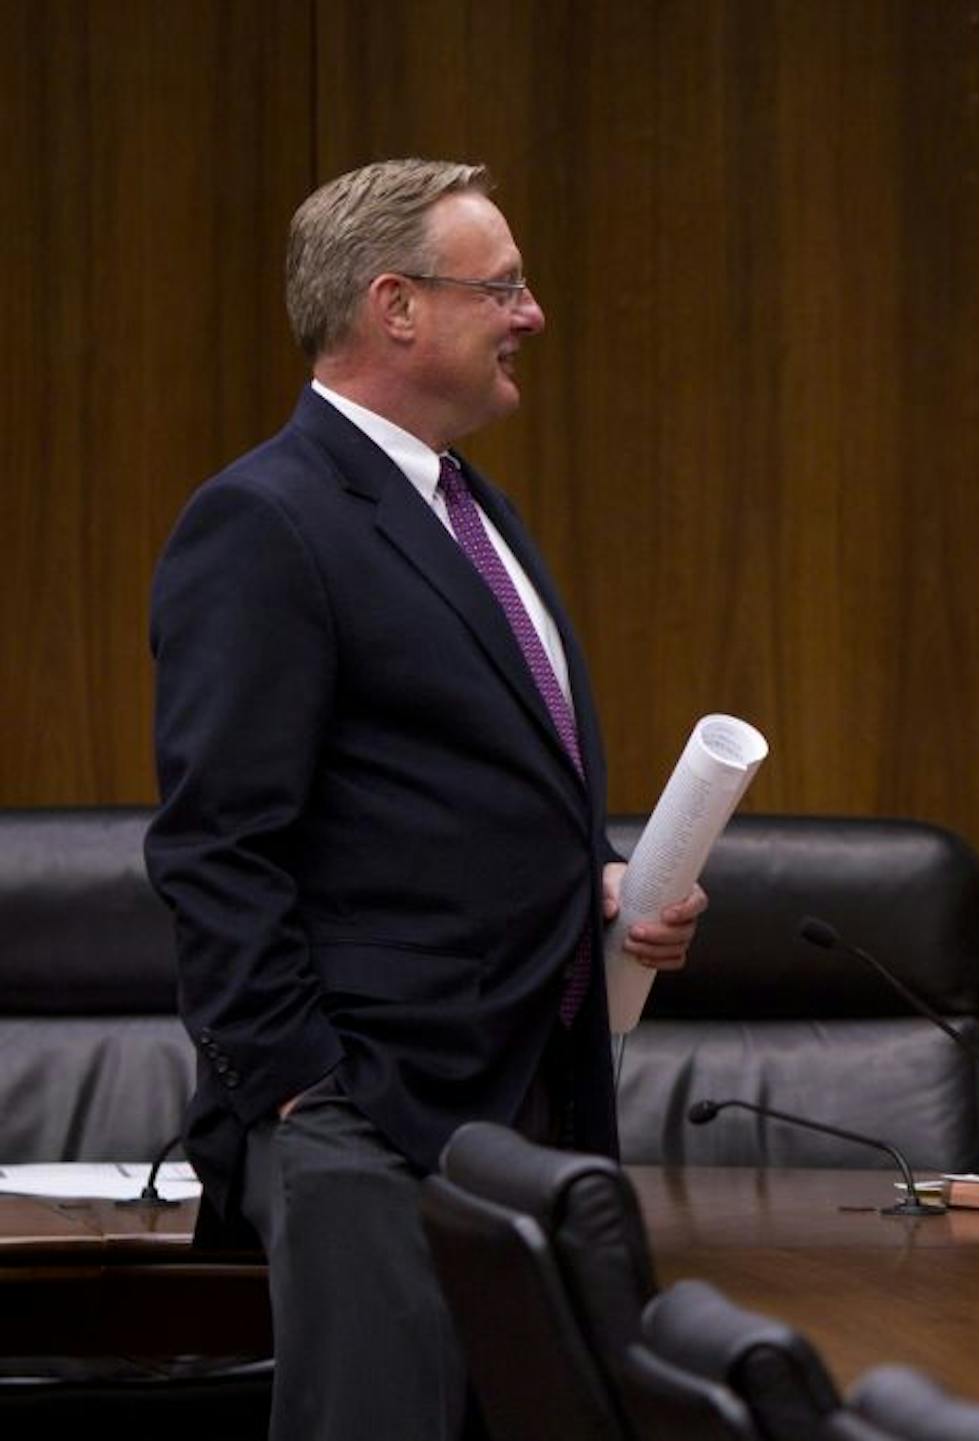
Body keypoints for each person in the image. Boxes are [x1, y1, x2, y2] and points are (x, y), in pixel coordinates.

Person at [145, 158, 707, 1440]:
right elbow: (215, 847)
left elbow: (447, 793)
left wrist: (600, 886)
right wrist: (304, 1096)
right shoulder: (264, 521)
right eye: (501, 285)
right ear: (395, 306)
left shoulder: (473, 511)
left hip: (528, 1103)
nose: (533, 313)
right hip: (370, 1118)